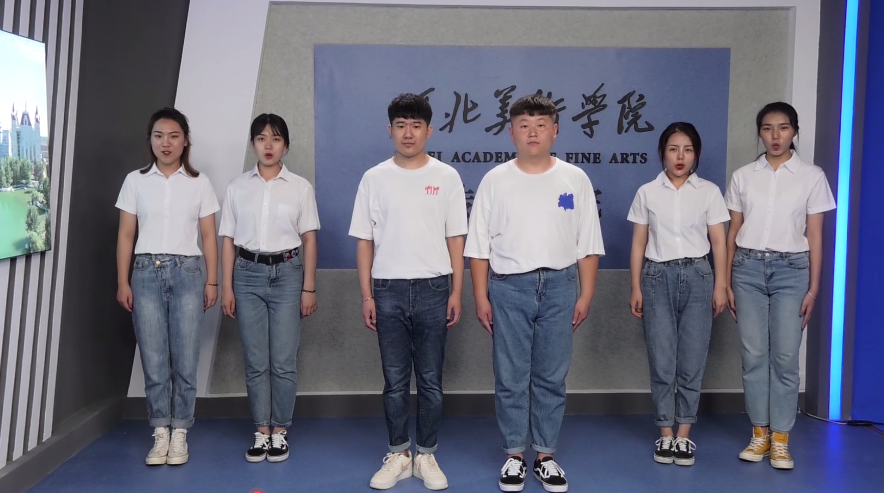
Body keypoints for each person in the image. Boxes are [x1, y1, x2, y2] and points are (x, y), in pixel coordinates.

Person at [465, 94, 604, 493]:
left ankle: (545, 456)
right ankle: (513, 456)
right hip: (508, 287)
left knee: (551, 375)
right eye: (524, 125)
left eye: (541, 125)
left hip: (561, 286)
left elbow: (587, 242)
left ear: (555, 130)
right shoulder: (495, 180)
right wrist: (480, 296)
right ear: (511, 132)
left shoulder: (574, 179)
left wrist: (586, 294)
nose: (533, 132)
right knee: (510, 376)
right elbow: (479, 246)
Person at [350, 93, 467, 491]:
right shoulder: (374, 178)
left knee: (431, 379)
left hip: (435, 287)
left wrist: (457, 291)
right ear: (390, 130)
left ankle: (427, 454)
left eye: (416, 125)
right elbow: (364, 241)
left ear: (429, 131)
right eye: (401, 125)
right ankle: (399, 453)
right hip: (387, 289)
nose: (408, 133)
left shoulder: (446, 176)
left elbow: (456, 238)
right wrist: (367, 295)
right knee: (395, 380)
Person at [725, 102, 835, 470]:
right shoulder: (743, 176)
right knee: (754, 355)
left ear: (795, 132)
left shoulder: (812, 176)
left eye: (783, 128)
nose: (775, 136)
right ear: (759, 132)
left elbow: (815, 236)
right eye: (767, 128)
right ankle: (760, 433)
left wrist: (813, 288)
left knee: (786, 358)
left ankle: (781, 439)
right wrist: (726, 280)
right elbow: (733, 230)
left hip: (792, 271)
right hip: (747, 269)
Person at [115, 107, 220, 466]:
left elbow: (209, 236)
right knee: (154, 358)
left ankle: (181, 433)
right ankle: (160, 431)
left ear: (185, 140)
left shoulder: (199, 182)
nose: (166, 143)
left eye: (174, 136)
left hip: (188, 273)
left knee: (186, 358)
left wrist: (212, 280)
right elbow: (126, 235)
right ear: (151, 140)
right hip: (144, 273)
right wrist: (123, 281)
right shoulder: (135, 181)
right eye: (159, 136)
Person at [218, 113, 319, 464]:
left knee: (284, 360)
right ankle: (261, 430)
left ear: (286, 145)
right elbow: (228, 240)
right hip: (246, 275)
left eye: (275, 138)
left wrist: (309, 287)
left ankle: (280, 432)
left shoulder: (300, 187)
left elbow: (309, 239)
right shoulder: (237, 187)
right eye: (261, 138)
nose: (268, 145)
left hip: (288, 274)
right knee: (256, 359)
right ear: (253, 144)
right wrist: (227, 286)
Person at [627, 122, 729, 466]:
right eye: (673, 149)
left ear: (696, 153)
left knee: (692, 357)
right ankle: (665, 433)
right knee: (661, 358)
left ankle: (684, 435)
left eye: (687, 149)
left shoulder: (709, 192)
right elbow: (638, 243)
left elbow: (718, 242)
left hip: (699, 275)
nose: (680, 156)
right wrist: (636, 286)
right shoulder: (647, 192)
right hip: (657, 275)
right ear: (662, 153)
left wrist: (720, 284)